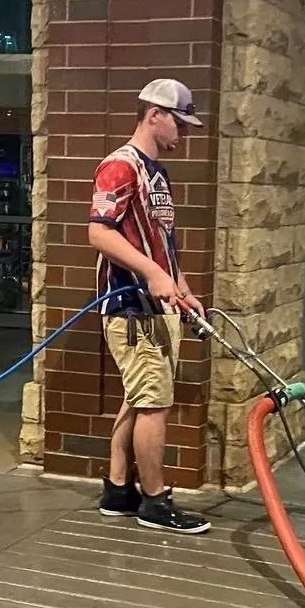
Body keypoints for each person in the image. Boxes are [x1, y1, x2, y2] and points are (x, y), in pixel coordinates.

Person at [86, 79, 213, 535]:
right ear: (154, 114)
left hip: (158, 306)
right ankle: (155, 502)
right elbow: (99, 232)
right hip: (130, 308)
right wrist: (154, 276)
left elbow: (160, 241)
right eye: (179, 122)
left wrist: (179, 284)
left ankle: (118, 489)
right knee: (153, 403)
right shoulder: (120, 167)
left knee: (139, 399)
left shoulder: (157, 172)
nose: (184, 132)